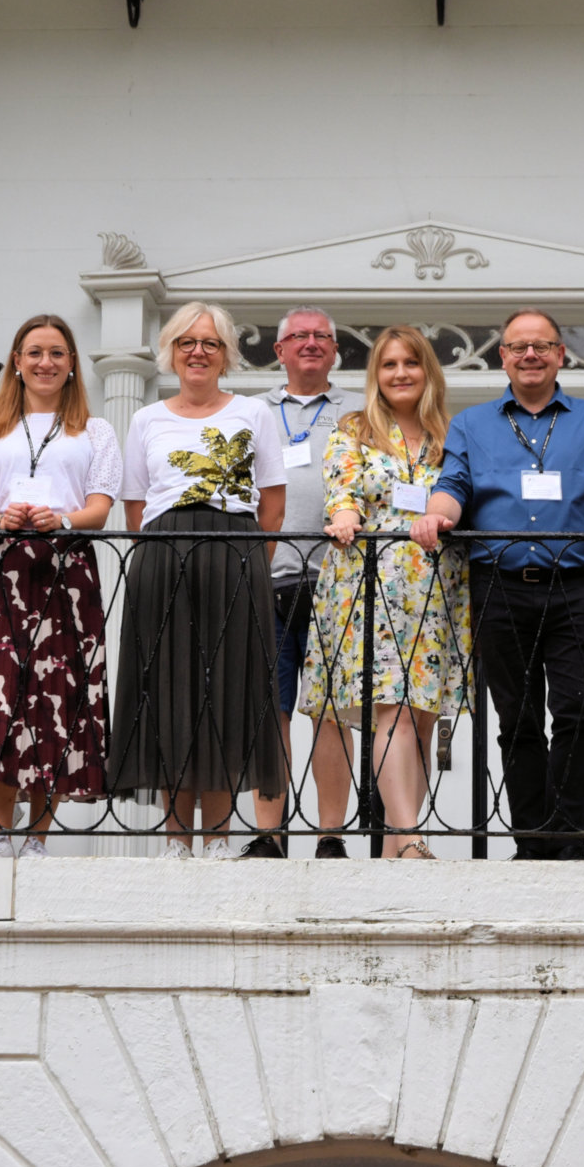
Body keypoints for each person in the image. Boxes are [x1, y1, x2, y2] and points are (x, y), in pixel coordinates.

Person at [414, 308, 584, 860]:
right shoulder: (471, 424)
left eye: (542, 346)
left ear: (559, 355)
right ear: (502, 356)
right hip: (498, 587)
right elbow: (452, 482)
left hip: (573, 587)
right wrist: (435, 515)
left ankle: (567, 838)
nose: (530, 355)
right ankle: (531, 843)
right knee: (517, 718)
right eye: (518, 346)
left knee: (577, 711)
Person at [112, 301, 288, 859]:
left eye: (210, 342)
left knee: (227, 689)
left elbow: (274, 505)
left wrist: (248, 561)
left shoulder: (254, 413)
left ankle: (217, 837)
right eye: (187, 341)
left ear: (226, 354)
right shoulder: (146, 419)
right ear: (170, 351)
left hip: (235, 555)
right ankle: (175, 837)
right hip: (163, 558)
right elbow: (136, 507)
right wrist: (167, 553)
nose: (198, 351)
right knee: (169, 686)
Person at [0, 313, 122, 858]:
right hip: (3, 570)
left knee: (56, 694)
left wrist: (64, 519)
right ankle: (1, 831)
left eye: (56, 353)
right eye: (34, 353)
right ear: (17, 363)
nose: (45, 362)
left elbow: (99, 507)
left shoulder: (94, 431)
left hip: (65, 570)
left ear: (72, 365)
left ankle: (38, 836)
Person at [300, 329, 472, 859]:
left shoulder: (452, 435)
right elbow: (342, 490)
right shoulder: (354, 429)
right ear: (375, 375)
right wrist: (345, 514)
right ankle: (412, 836)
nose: (401, 373)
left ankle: (398, 846)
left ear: (429, 373)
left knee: (421, 715)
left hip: (436, 586)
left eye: (412, 363)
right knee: (391, 709)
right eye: (389, 364)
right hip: (368, 582)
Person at [248, 306, 359, 859]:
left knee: (332, 710)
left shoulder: (360, 412)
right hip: (267, 578)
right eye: (299, 336)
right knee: (272, 708)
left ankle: (331, 835)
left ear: (336, 351)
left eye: (322, 337)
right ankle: (269, 834)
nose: (311, 343)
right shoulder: (251, 411)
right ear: (279, 349)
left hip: (338, 581)